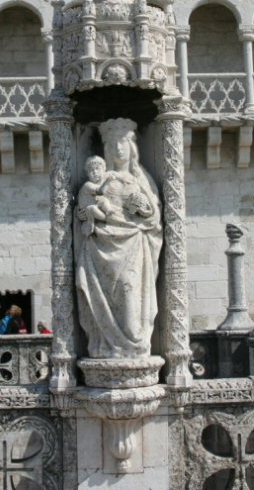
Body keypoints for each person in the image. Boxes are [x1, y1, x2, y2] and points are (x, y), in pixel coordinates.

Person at [75, 118, 163, 359]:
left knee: (129, 288)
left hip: (133, 244)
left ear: (132, 146)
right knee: (105, 294)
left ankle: (134, 344)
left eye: (122, 142)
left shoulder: (141, 178)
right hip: (100, 245)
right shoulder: (100, 179)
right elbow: (83, 205)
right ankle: (104, 344)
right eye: (112, 143)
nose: (118, 148)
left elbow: (154, 217)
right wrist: (85, 213)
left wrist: (143, 209)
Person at [77, 156, 114, 237]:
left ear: (104, 170)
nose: (95, 172)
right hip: (90, 209)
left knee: (103, 201)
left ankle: (109, 212)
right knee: (93, 208)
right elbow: (100, 191)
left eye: (97, 168)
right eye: (91, 170)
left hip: (99, 205)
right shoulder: (88, 185)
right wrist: (107, 181)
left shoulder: (113, 184)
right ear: (87, 174)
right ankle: (107, 218)